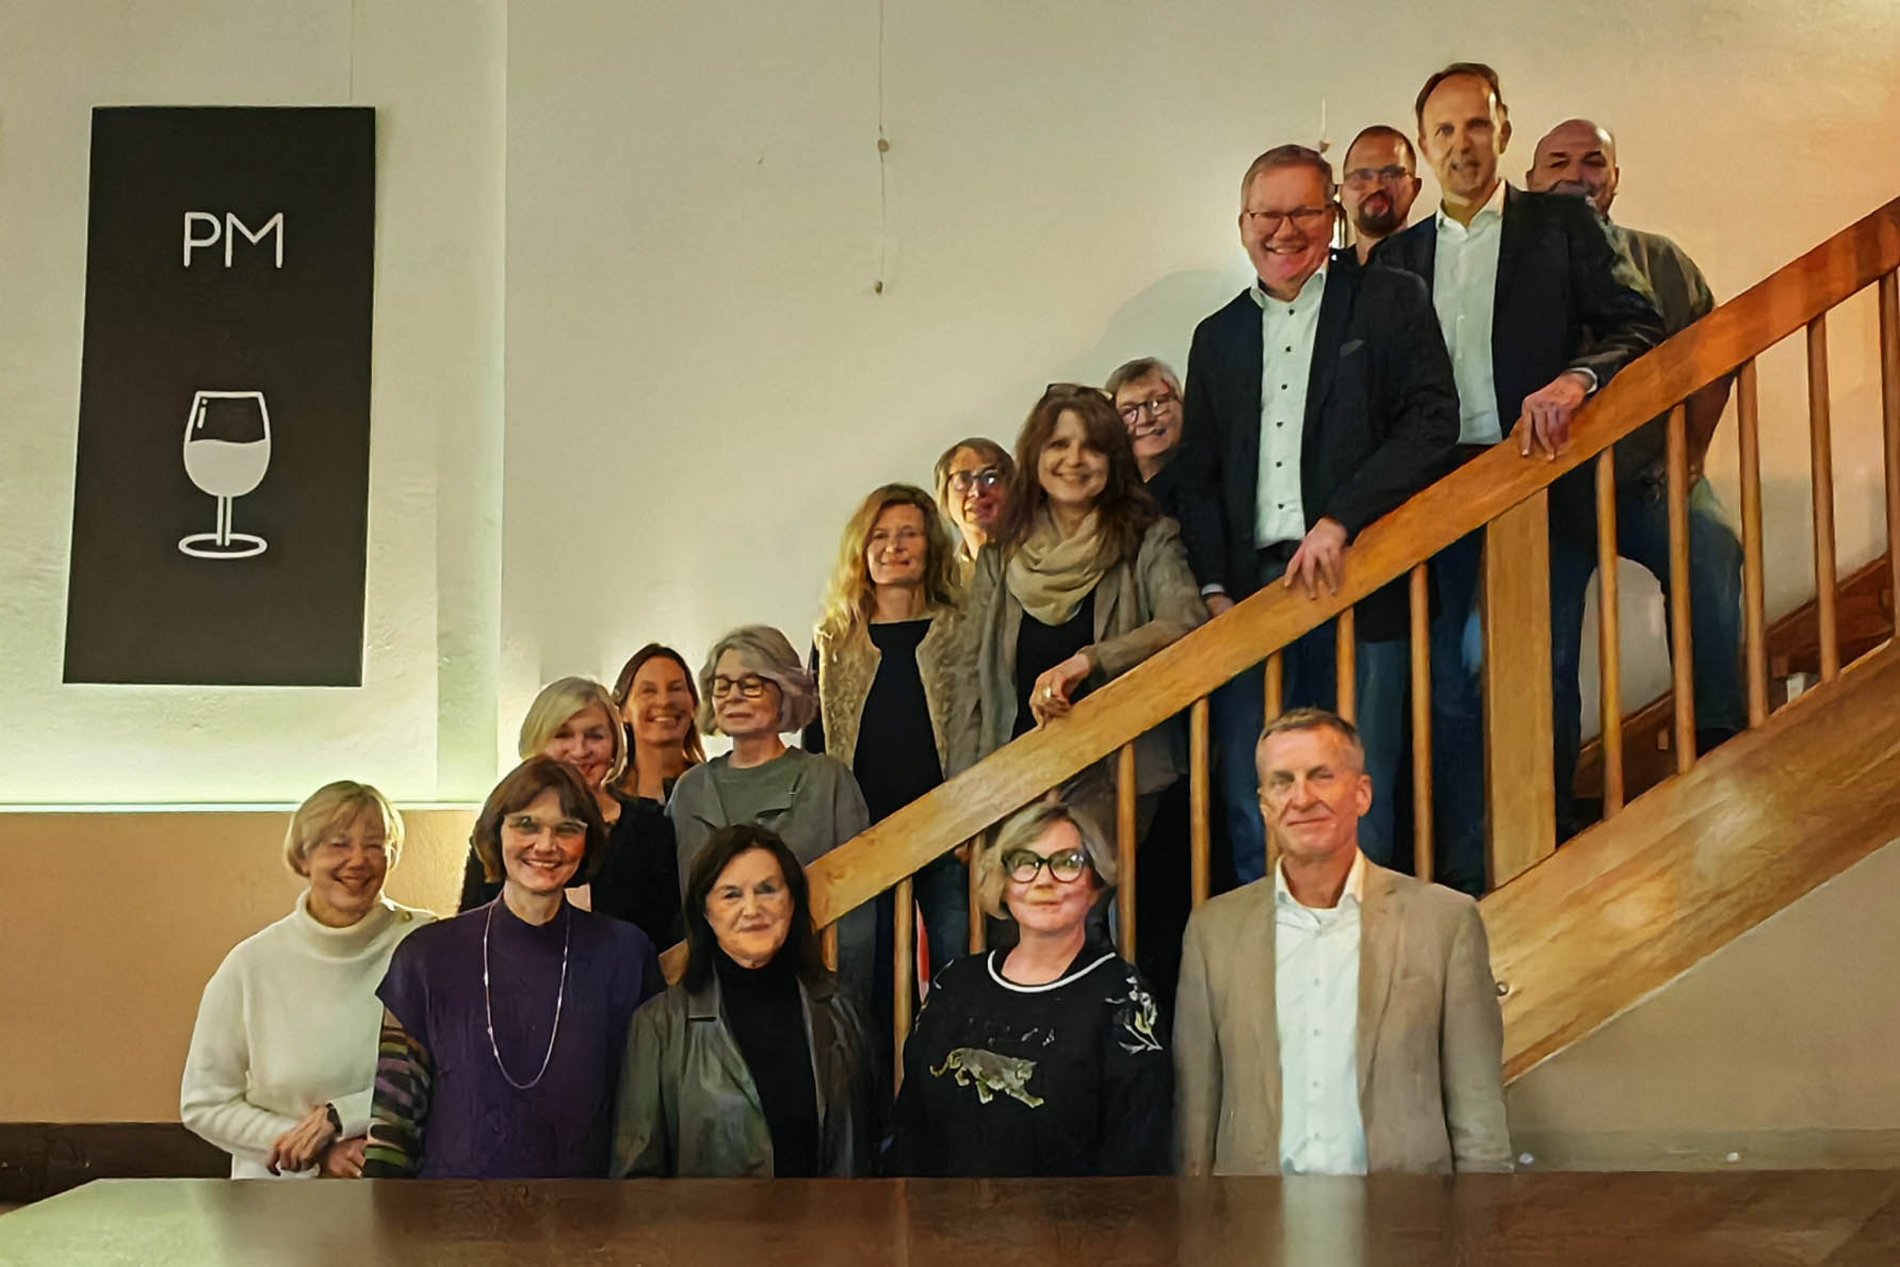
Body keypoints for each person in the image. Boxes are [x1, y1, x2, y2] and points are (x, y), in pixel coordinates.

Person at [1375, 63, 1664, 876]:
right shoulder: (1396, 260)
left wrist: (1579, 378)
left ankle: (1544, 857)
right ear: (1426, 148)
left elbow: (1638, 324)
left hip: (1541, 480)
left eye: (1476, 126)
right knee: (1450, 690)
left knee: (1536, 673)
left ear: (1503, 132)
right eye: (1444, 131)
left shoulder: (1563, 227)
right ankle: (1474, 877)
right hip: (1433, 503)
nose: (1462, 144)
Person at [1179, 143, 1461, 886]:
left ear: (1332, 215)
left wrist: (1340, 519)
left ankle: (1370, 969)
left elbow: (1431, 420)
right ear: (1242, 224)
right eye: (1267, 214)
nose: (1285, 229)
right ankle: (1271, 974)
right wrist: (1212, 586)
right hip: (1250, 600)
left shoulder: (1389, 299)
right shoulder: (1216, 337)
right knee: (1255, 799)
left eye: (1304, 210)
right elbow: (1199, 478)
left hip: (1359, 580)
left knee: (1361, 788)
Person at [1173, 709, 1511, 1176]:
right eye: (1282, 782)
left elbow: (1479, 1114)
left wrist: (1478, 1232)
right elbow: (1196, 1117)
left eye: (1321, 776)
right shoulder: (1213, 932)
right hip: (1256, 1231)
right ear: (1265, 805)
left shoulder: (1444, 921)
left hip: (1406, 1229)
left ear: (1362, 793)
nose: (1302, 798)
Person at [1526, 118, 1746, 766]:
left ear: (1615, 180)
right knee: (1546, 638)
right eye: (1557, 162)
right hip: (1543, 495)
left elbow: (1715, 359)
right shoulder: (1508, 277)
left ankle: (1717, 747)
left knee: (1711, 546)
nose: (1575, 175)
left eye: (1594, 161)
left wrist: (1693, 456)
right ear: (1531, 182)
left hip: (1648, 476)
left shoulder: (1664, 261)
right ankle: (1552, 797)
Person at [363, 757, 661, 1178]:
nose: (545, 845)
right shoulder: (426, 957)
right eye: (526, 825)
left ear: (588, 843)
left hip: (588, 1223)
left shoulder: (626, 954)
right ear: (495, 832)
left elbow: (647, 1119)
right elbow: (393, 1123)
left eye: (567, 829)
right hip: (450, 1224)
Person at [960, 384, 1209, 844]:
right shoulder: (998, 558)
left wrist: (1091, 660)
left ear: (1113, 461)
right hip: (1016, 785)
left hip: (1122, 781)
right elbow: (968, 684)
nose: (1074, 460)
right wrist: (965, 801)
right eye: (1059, 444)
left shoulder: (1148, 539)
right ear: (1035, 455)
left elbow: (1187, 621)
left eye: (1092, 447)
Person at [890, 801, 1171, 1177]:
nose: (1044, 880)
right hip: (942, 1229)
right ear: (1004, 884)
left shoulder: (1123, 997)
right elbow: (910, 1130)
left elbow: (1136, 1159)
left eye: (1067, 863)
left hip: (1074, 1234)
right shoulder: (955, 984)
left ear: (1095, 884)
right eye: (1026, 862)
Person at [181, 782, 433, 1179]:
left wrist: (344, 1117)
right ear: (303, 857)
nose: (358, 860)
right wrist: (310, 1147)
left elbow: (453, 1075)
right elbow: (204, 1103)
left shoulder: (426, 945)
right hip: (274, 1206)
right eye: (337, 844)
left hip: (398, 1194)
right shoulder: (250, 965)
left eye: (375, 844)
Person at [611, 824, 880, 1177]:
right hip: (706, 1232)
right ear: (706, 912)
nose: (752, 909)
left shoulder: (842, 1009)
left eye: (768, 890)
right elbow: (636, 1177)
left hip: (831, 1230)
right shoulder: (659, 1026)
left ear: (792, 901)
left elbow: (872, 1145)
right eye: (731, 895)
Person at [807, 483, 971, 994]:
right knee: (868, 976)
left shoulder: (960, 630)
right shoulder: (833, 641)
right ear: (862, 548)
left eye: (908, 534)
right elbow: (816, 739)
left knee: (958, 962)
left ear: (931, 546)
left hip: (949, 829)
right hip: (863, 836)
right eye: (879, 535)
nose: (893, 546)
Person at [669, 625, 874, 996]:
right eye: (722, 685)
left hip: (809, 987)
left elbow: (858, 915)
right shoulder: (690, 790)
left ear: (784, 691)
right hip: (714, 992)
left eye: (751, 684)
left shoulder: (826, 779)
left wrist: (842, 997)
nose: (734, 697)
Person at [460, 676, 681, 949]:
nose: (580, 750)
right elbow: (470, 928)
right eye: (563, 735)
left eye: (594, 736)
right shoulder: (503, 822)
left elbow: (670, 940)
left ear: (615, 745)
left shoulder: (651, 828)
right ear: (537, 742)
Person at [1339, 125, 1424, 264]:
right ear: (1342, 193)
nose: (1376, 187)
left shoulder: (1440, 270)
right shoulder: (1328, 278)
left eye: (1391, 175)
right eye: (1362, 175)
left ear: (1415, 188)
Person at [933, 437, 1014, 571]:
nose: (977, 491)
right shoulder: (946, 582)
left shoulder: (1039, 561)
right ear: (944, 498)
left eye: (991, 477)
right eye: (963, 480)